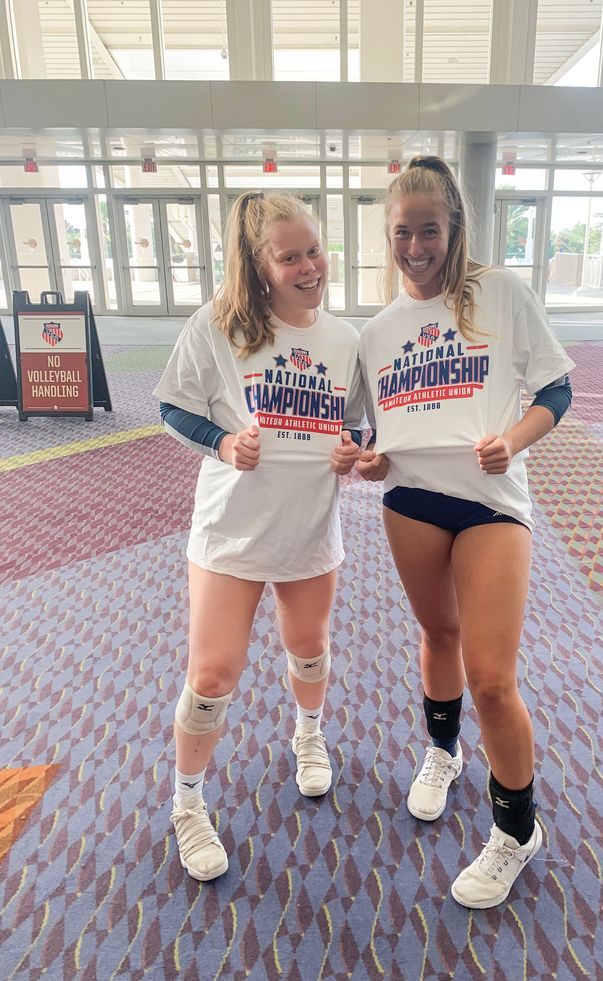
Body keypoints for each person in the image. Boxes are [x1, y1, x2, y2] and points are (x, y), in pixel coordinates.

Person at [357, 156, 574, 909]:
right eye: (402, 232)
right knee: (438, 634)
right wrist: (372, 458)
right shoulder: (379, 329)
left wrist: (513, 439)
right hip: (412, 500)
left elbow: (556, 389)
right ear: (386, 233)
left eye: (430, 230)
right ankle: (442, 754)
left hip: (491, 502)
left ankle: (517, 828)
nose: (416, 247)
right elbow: (366, 429)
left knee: (491, 675)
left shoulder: (501, 294)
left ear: (456, 227)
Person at [154, 192, 364, 882]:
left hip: (308, 528)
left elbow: (362, 425)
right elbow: (171, 407)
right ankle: (187, 802)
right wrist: (221, 441)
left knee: (309, 648)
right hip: (229, 534)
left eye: (314, 249)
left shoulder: (343, 339)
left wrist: (352, 448)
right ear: (258, 262)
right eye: (290, 255)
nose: (310, 266)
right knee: (212, 673)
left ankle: (308, 734)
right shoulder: (217, 325)